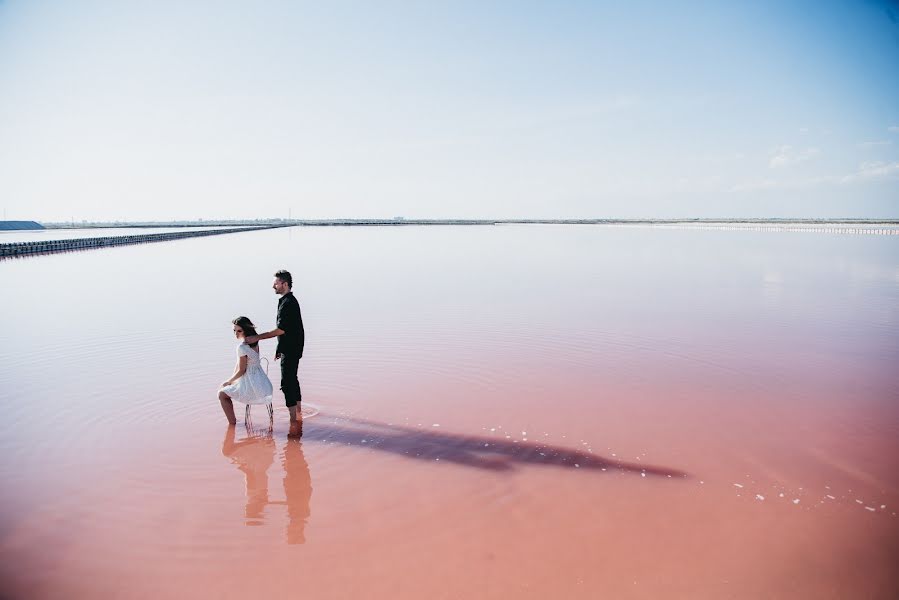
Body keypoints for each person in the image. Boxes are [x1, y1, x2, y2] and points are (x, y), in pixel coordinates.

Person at [245, 270, 305, 436]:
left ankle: (294, 420)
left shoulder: (288, 303)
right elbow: (289, 328)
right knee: (293, 379)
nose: (273, 286)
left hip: (292, 348)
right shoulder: (286, 301)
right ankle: (298, 414)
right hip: (292, 346)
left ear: (284, 284)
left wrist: (257, 337)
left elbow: (281, 329)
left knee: (287, 383)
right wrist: (279, 348)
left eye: (276, 283)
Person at [218, 316, 274, 425]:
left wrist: (228, 381)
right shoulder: (255, 341)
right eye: (234, 330)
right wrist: (233, 380)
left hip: (252, 386)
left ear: (246, 330)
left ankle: (232, 424)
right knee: (226, 390)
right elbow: (241, 367)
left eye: (239, 331)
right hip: (263, 383)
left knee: (221, 394)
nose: (236, 333)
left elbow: (242, 370)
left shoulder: (242, 347)